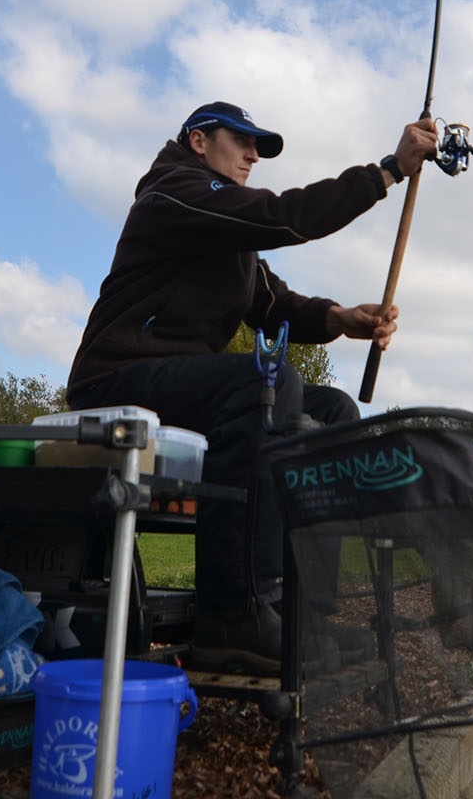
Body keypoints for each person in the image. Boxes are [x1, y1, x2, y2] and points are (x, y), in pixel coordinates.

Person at [66, 100, 439, 671]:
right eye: (242, 142)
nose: (252, 156)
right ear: (198, 141)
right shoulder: (172, 193)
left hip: (180, 390)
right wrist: (387, 170)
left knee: (335, 410)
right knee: (261, 384)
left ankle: (304, 612)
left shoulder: (226, 234)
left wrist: (341, 318)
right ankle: (232, 614)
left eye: (259, 149)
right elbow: (281, 215)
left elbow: (274, 304)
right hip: (117, 379)